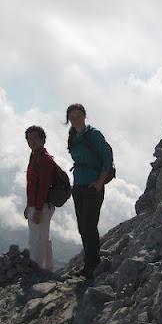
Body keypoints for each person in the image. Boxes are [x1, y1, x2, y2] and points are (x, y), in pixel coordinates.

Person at [66, 103, 113, 278]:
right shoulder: (73, 135)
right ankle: (90, 262)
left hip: (93, 185)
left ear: (85, 116)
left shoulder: (94, 135)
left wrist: (100, 182)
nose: (75, 120)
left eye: (78, 116)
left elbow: (107, 159)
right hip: (78, 185)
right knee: (82, 226)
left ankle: (92, 265)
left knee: (89, 226)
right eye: (71, 118)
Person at [24, 125, 55, 270]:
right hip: (37, 205)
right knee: (42, 237)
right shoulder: (35, 156)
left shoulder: (43, 158)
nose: (31, 142)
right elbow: (33, 185)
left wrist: (37, 209)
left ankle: (36, 271)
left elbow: (43, 186)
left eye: (35, 138)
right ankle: (47, 269)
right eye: (29, 139)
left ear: (43, 139)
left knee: (36, 240)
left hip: (41, 206)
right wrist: (28, 206)